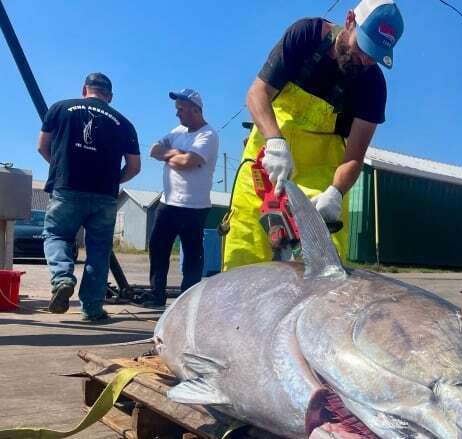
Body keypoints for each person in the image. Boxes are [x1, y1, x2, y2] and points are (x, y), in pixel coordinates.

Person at [222, 0, 404, 270]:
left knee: (325, 268)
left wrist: (336, 192)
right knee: (245, 249)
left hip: (322, 172)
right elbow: (257, 94)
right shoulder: (306, 35)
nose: (365, 59)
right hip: (268, 161)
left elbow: (354, 156)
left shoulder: (373, 86)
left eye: (374, 55)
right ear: (350, 19)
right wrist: (274, 140)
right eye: (362, 47)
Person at [37, 73, 141, 321]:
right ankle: (92, 309)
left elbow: (42, 146)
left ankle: (62, 278)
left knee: (57, 235)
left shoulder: (60, 108)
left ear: (85, 89)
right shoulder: (124, 123)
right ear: (110, 96)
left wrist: (60, 169)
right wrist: (115, 180)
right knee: (98, 251)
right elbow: (135, 166)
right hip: (104, 195)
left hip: (68, 188)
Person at [139, 89, 219, 307]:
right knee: (158, 248)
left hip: (194, 206)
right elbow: (153, 150)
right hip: (168, 203)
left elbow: (188, 162)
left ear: (195, 110)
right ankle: (157, 295)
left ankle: (187, 300)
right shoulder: (177, 132)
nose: (177, 114)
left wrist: (170, 156)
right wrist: (174, 155)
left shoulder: (208, 135)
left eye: (181, 109)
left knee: (192, 255)